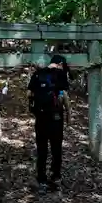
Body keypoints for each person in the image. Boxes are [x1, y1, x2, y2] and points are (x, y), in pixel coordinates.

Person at [27, 55, 72, 194]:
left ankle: (41, 179)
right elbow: (64, 96)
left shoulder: (37, 74)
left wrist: (34, 110)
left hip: (40, 118)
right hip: (56, 119)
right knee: (56, 148)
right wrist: (69, 115)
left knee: (41, 149)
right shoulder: (61, 75)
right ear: (59, 64)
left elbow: (29, 94)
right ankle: (55, 177)